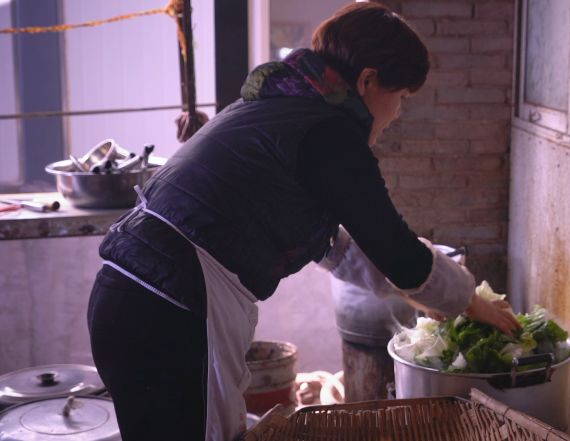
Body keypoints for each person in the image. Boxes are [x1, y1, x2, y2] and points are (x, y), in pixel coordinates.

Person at [86, 3, 520, 440]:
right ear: (368, 81)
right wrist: (468, 300)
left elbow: (338, 248)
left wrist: (427, 295)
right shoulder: (329, 132)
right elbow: (395, 249)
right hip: (172, 310)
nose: (398, 113)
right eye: (401, 97)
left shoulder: (275, 107)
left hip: (123, 298)